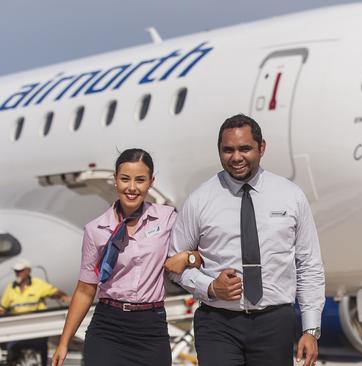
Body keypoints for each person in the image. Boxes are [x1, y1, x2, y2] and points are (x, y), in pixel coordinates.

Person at [169, 113, 325, 366]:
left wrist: (310, 329)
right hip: (218, 323)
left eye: (245, 149)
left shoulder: (291, 196)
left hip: (274, 322)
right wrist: (209, 287)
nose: (236, 157)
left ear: (261, 147)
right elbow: (174, 265)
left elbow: (309, 264)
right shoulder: (200, 200)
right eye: (227, 150)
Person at [51, 148, 199, 366]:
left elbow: (202, 250)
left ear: (151, 182)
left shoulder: (167, 218)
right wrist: (64, 342)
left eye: (140, 180)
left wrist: (188, 258)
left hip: (151, 326)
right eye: (125, 179)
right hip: (108, 326)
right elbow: (85, 289)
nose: (132, 187)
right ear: (115, 180)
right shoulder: (96, 229)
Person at [0, 259, 70, 366]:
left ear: (28, 271)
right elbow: (3, 308)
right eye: (16, 271)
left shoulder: (38, 284)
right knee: (13, 353)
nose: (17, 273)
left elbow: (54, 292)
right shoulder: (10, 288)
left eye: (20, 271)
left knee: (40, 354)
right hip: (17, 331)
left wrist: (63, 297)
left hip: (37, 331)